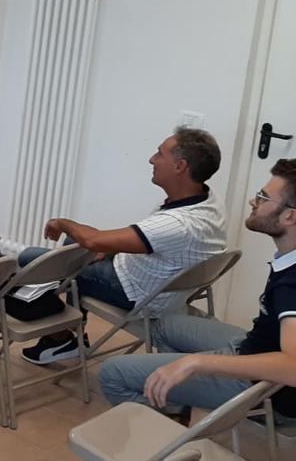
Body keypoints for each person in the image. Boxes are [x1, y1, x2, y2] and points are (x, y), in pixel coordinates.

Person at [97, 159, 296, 424]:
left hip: (262, 386)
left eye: (263, 197)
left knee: (112, 374)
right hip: (252, 345)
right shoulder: (289, 258)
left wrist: (198, 363)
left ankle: (171, 439)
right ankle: (180, 405)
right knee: (166, 324)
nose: (253, 201)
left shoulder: (291, 285)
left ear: (290, 216)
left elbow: (293, 367)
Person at [22, 127, 226, 365]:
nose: (152, 159)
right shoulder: (209, 200)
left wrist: (62, 222)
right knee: (72, 246)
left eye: (160, 154)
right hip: (155, 279)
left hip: (138, 294)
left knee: (31, 259)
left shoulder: (178, 224)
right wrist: (104, 246)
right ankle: (63, 340)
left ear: (180, 166)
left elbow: (92, 240)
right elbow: (125, 241)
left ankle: (62, 336)